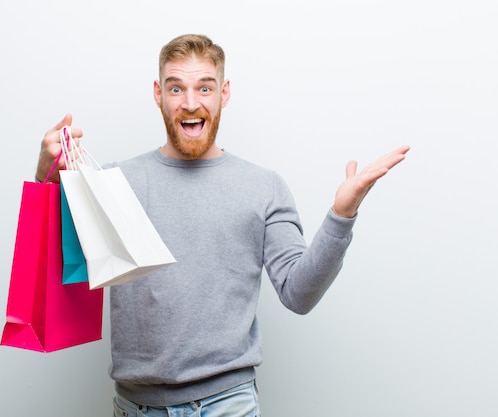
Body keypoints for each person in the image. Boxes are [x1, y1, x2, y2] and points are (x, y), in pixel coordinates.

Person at [35, 34, 410, 417]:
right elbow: (53, 268)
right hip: (135, 407)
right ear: (158, 93)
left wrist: (341, 216)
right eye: (176, 87)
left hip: (226, 405)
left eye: (205, 87)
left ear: (224, 93)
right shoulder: (113, 182)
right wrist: (46, 177)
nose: (191, 102)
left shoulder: (263, 187)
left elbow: (299, 295)